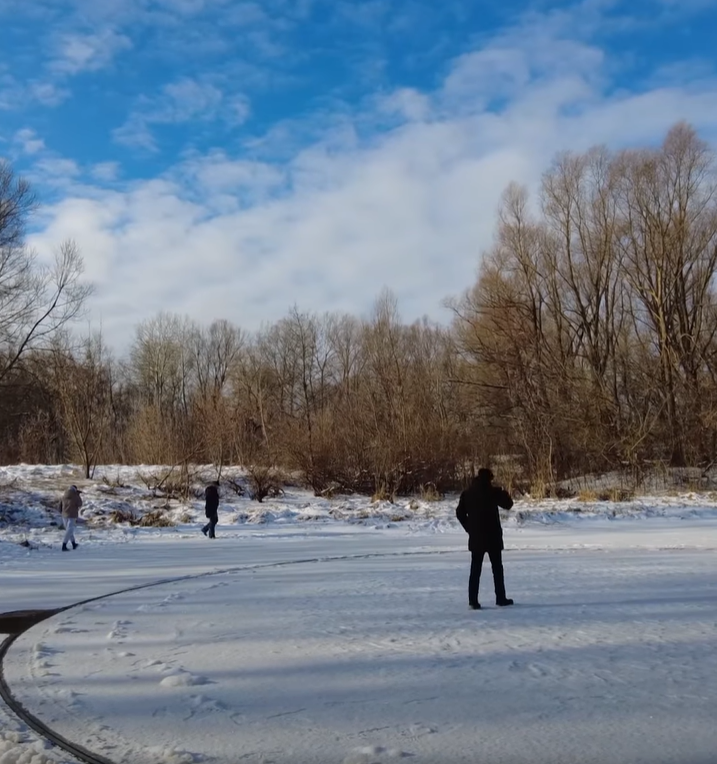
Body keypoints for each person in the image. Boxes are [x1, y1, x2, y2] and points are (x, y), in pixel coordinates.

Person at [456, 468, 514, 609]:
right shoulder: (493, 492)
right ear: (489, 478)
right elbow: (508, 504)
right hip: (493, 536)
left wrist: (469, 528)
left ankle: (473, 600)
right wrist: (504, 492)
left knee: (475, 570)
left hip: (476, 537)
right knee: (497, 570)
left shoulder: (467, 493)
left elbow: (459, 513)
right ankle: (500, 598)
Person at [60, 485, 83, 551]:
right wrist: (78, 495)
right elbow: (80, 504)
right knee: (69, 530)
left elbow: (60, 505)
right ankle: (64, 545)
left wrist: (61, 512)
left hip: (64, 514)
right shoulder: (75, 496)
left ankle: (73, 544)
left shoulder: (64, 495)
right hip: (72, 515)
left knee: (68, 530)